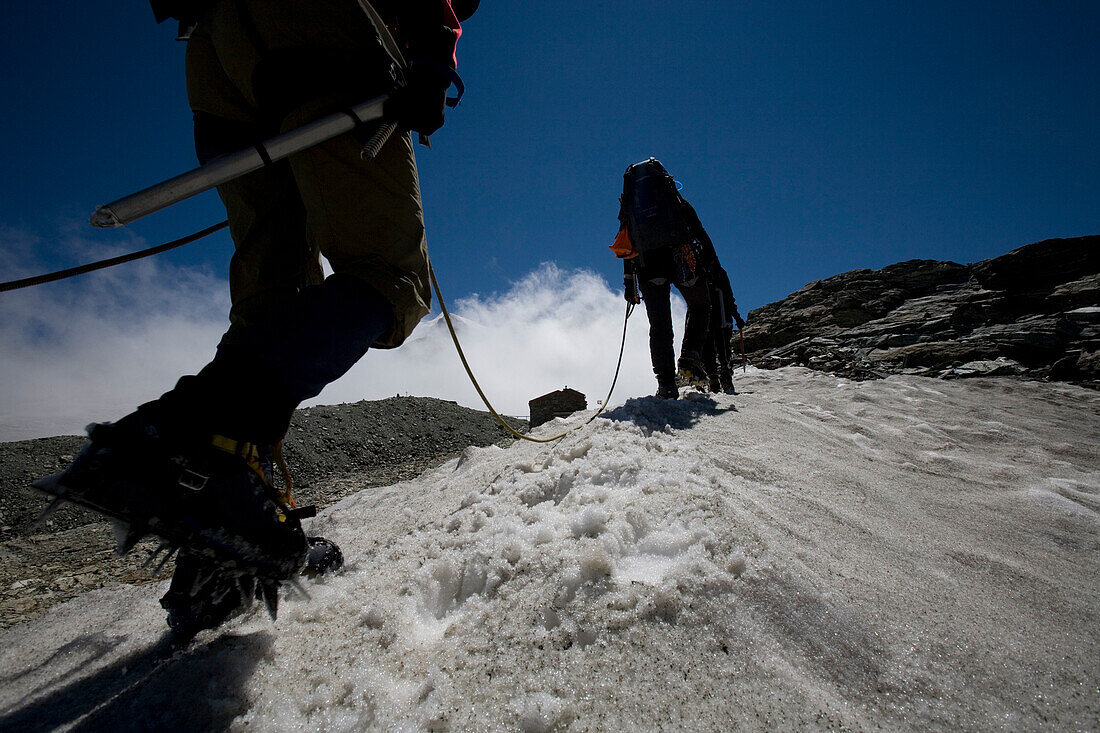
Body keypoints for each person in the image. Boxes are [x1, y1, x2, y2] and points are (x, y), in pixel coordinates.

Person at [36, 0, 478, 638]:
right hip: (314, 31)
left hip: (216, 60)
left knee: (273, 301)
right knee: (390, 276)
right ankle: (188, 439)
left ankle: (215, 556)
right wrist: (434, 55)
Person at [612, 158, 716, 398]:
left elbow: (627, 247)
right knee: (701, 304)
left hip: (648, 267)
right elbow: (699, 233)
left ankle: (666, 384)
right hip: (680, 258)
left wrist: (630, 285)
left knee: (659, 325)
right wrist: (709, 264)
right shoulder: (675, 202)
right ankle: (690, 356)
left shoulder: (630, 211)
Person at [700, 262, 745, 394]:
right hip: (723, 317)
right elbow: (729, 297)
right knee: (723, 347)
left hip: (706, 318)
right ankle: (725, 374)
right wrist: (736, 317)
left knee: (708, 349)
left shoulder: (697, 270)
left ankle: (713, 380)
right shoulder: (719, 272)